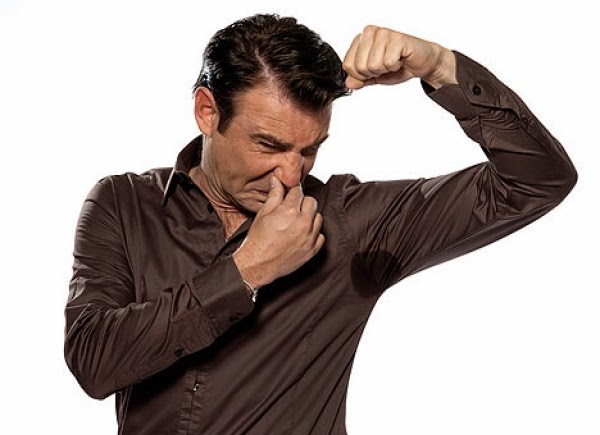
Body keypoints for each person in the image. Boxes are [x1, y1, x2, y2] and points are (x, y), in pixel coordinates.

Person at [64, 13, 577, 435]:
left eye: (309, 149)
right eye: (268, 145)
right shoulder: (123, 204)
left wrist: (441, 67)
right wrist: (247, 270)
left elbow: (538, 181)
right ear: (207, 112)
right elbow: (93, 362)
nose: (291, 174)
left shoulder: (350, 221)